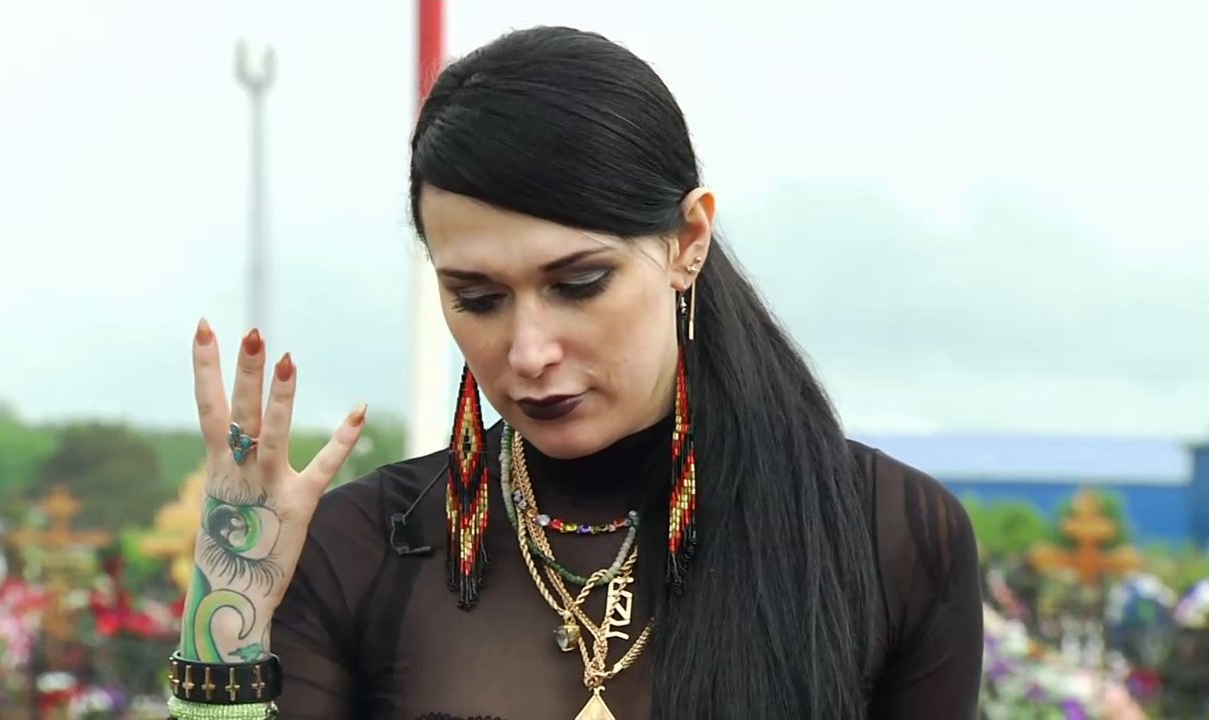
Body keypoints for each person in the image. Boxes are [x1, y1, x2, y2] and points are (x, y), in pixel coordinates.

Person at [163, 25, 983, 720]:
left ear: (688, 242)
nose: (528, 352)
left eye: (579, 284)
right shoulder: (365, 548)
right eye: (477, 298)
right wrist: (226, 621)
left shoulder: (885, 536)